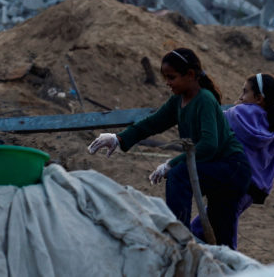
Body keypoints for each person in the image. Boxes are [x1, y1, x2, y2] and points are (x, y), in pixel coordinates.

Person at [87, 48, 252, 247]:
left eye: (171, 77)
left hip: (231, 168)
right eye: (165, 77)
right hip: (213, 167)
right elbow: (152, 123)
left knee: (179, 175)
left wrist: (171, 163)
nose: (167, 82)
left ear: (190, 75)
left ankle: (178, 239)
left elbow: (209, 145)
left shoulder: (205, 100)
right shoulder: (178, 101)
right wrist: (118, 139)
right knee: (219, 239)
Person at [189, 73, 274, 246]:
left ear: (258, 98)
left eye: (244, 92)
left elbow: (212, 122)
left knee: (217, 233)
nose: (241, 97)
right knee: (208, 225)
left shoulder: (236, 114)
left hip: (233, 184)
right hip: (255, 189)